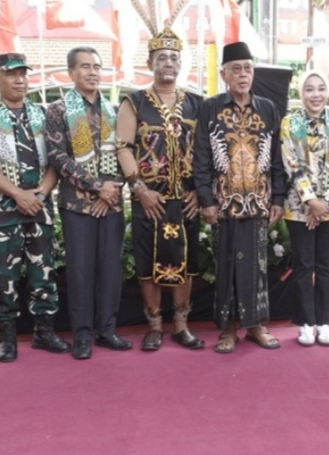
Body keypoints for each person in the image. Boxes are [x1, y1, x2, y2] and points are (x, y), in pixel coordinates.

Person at [0, 53, 70, 362]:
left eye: (23, 73)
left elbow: (56, 159)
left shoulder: (41, 113)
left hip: (39, 208)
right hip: (1, 211)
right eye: (11, 74)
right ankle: (6, 337)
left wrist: (40, 194)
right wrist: (17, 194)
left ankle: (44, 332)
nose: (19, 79)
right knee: (2, 276)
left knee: (43, 272)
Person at [193, 42, 286, 354]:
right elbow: (202, 156)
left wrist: (278, 198)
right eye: (236, 69)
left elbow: (276, 158)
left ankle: (257, 325)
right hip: (223, 203)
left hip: (258, 202)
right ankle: (229, 328)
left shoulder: (268, 108)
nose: (243, 74)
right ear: (224, 74)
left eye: (247, 68)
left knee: (258, 265)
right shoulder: (210, 107)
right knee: (227, 266)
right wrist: (206, 199)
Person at [116, 30, 205, 351]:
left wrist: (200, 191)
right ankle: (154, 325)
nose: (168, 63)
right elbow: (123, 147)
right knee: (147, 260)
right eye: (161, 57)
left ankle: (181, 325)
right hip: (149, 198)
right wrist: (139, 189)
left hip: (186, 199)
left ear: (181, 63)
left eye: (173, 58)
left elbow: (205, 152)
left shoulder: (197, 103)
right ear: (150, 62)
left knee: (187, 260)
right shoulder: (134, 101)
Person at [45, 46, 128, 360]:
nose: (92, 72)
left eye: (96, 66)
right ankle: (81, 335)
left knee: (110, 270)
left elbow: (126, 153)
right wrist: (97, 187)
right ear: (71, 72)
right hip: (76, 205)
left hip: (112, 204)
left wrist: (111, 191)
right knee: (80, 272)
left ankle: (107, 330)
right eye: (85, 67)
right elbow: (57, 157)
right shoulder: (56, 110)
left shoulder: (116, 109)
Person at [280, 70, 329, 347]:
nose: (315, 94)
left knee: (326, 267)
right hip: (299, 207)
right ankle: (306, 323)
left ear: (327, 92)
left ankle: (324, 322)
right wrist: (310, 201)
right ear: (301, 93)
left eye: (320, 89)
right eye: (309, 89)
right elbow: (291, 162)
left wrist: (324, 203)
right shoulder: (289, 123)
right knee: (303, 265)